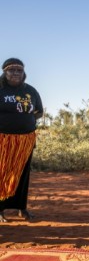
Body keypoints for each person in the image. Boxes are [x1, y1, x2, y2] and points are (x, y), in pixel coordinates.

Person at [0, 58, 43, 222]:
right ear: (5, 72)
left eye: (19, 70)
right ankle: (0, 210)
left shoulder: (30, 91)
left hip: (25, 141)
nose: (16, 73)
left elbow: (39, 111)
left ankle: (21, 208)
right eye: (12, 70)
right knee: (2, 174)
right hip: (3, 141)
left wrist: (26, 118)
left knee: (23, 175)